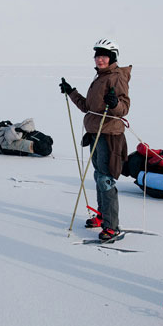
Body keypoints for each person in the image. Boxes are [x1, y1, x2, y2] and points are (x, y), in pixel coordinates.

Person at [60, 39, 131, 241]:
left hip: (109, 135)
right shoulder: (100, 77)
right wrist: (71, 92)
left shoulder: (116, 77)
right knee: (99, 175)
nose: (100, 59)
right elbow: (87, 107)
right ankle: (102, 216)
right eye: (97, 55)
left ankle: (112, 227)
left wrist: (115, 103)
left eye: (104, 55)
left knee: (105, 179)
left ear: (112, 57)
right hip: (95, 134)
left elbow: (124, 107)